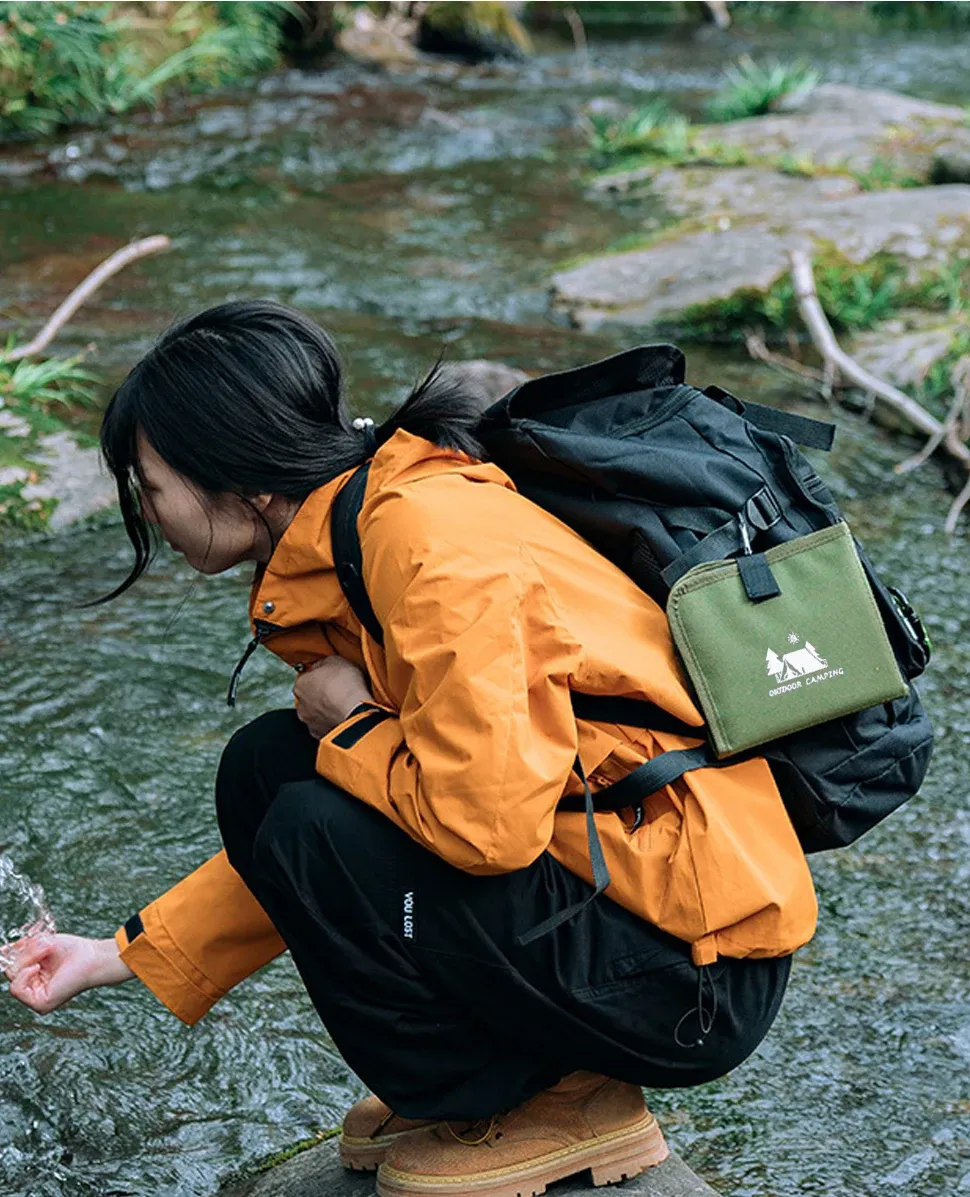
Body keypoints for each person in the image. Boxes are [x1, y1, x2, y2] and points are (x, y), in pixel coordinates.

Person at [3, 301, 817, 1197]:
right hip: (611, 901)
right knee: (271, 766)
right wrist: (119, 953)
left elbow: (486, 826)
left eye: (152, 487)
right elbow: (356, 825)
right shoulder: (359, 530)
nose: (149, 515)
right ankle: (502, 1087)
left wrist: (354, 726)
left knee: (315, 794)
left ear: (239, 476)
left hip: (687, 974)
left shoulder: (431, 543)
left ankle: (545, 1103)